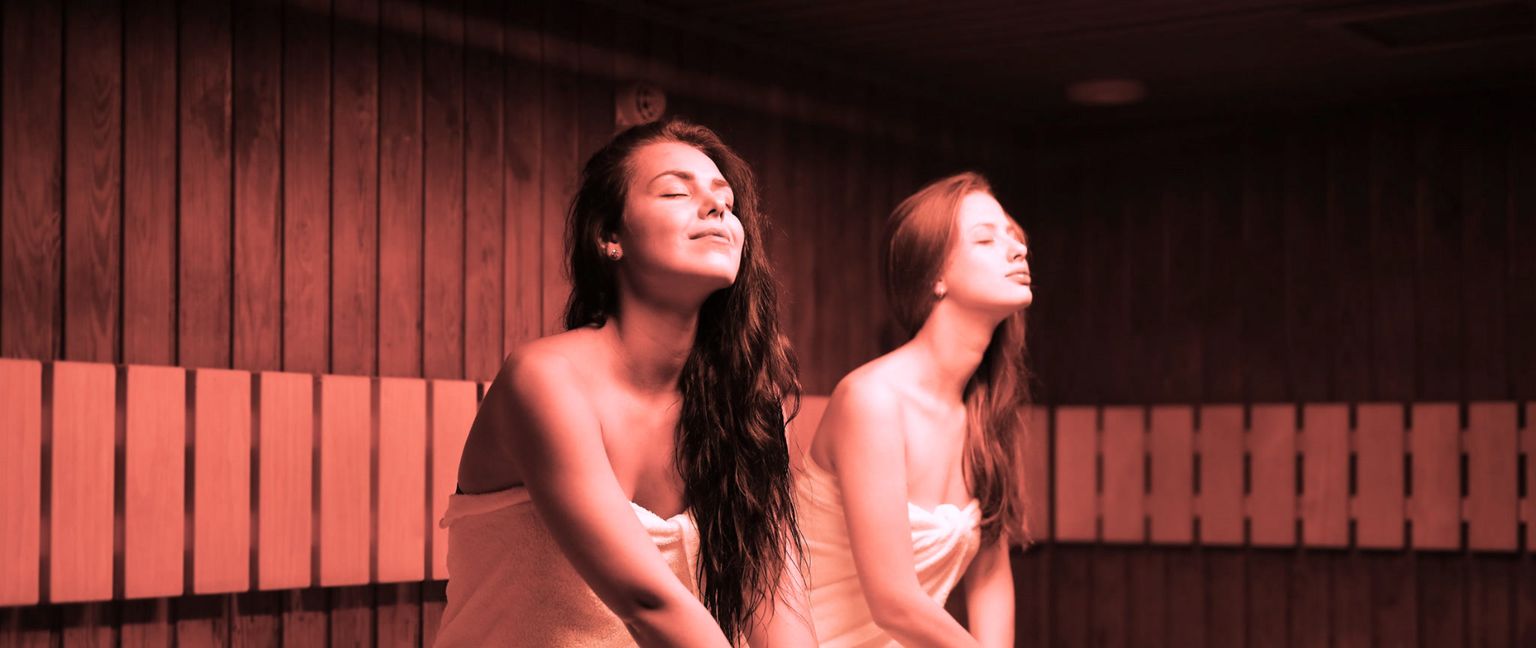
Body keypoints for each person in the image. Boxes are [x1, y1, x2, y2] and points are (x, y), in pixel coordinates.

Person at [437, 119, 814, 647]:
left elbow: (776, 602)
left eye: (725, 201)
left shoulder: (747, 400)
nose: (716, 207)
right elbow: (649, 604)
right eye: (677, 192)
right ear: (609, 236)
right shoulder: (545, 380)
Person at [794, 172, 1032, 647]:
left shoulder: (985, 410)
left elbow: (989, 578)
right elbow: (894, 602)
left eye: (1014, 236)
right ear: (935, 277)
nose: (1017, 250)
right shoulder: (872, 400)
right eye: (986, 239)